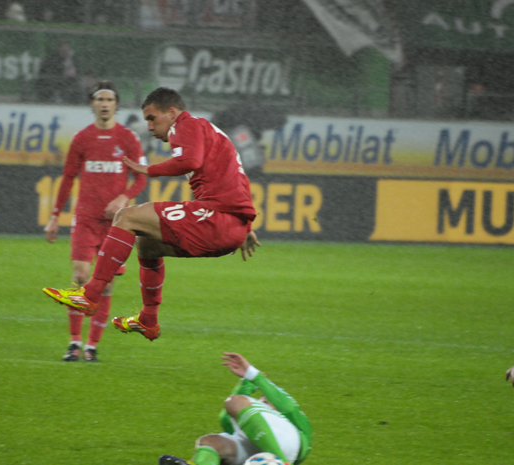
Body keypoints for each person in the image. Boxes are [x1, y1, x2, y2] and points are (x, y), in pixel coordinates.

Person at [43, 87, 260, 341]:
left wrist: (149, 170)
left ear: (171, 112)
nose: (148, 126)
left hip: (216, 217)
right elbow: (234, 181)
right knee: (146, 243)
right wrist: (244, 227)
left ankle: (90, 294)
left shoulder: (185, 126)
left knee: (127, 217)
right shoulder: (206, 130)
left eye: (151, 118)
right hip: (228, 225)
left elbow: (190, 162)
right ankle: (148, 320)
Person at [44, 80, 147, 362]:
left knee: (107, 284)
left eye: (109, 100)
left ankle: (91, 346)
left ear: (115, 105)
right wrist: (54, 217)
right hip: (85, 220)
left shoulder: (127, 138)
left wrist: (123, 198)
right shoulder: (82, 138)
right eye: (99, 99)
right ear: (92, 104)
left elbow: (141, 177)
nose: (104, 104)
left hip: (115, 225)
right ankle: (74, 342)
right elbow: (67, 178)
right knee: (80, 277)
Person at [159, 352, 312, 465]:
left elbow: (289, 407)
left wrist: (253, 376)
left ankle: (282, 462)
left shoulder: (289, 419)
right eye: (261, 402)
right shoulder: (251, 424)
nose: (263, 404)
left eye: (266, 403)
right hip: (254, 450)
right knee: (211, 441)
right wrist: (245, 384)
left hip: (286, 447)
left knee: (235, 401)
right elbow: (225, 418)